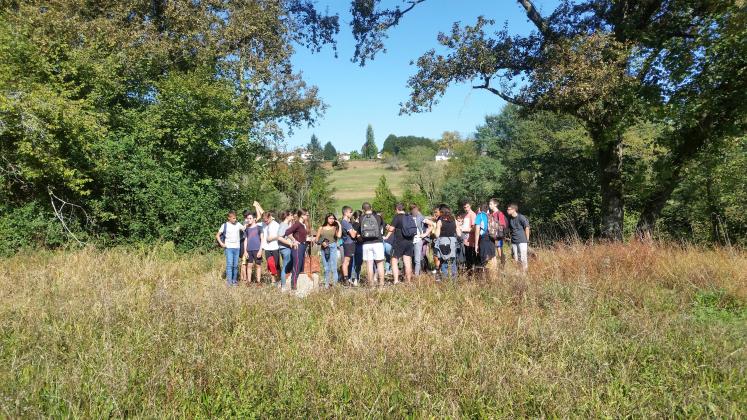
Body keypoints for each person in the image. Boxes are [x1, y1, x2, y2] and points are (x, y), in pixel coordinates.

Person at [359, 202, 386, 287]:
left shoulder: (361, 218)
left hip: (366, 243)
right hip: (378, 242)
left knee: (369, 264)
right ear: (371, 207)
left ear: (363, 209)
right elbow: (383, 227)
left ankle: (371, 285)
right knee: (380, 264)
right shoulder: (378, 217)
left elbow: (359, 229)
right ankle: (381, 284)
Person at [215, 210, 245, 286]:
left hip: (237, 248)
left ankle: (234, 281)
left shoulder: (238, 224)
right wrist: (222, 244)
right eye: (233, 218)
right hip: (229, 248)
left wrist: (251, 221)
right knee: (229, 265)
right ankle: (229, 282)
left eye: (235, 218)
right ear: (229, 218)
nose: (235, 220)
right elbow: (217, 235)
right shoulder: (224, 225)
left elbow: (245, 228)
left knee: (235, 265)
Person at [255, 202, 281, 286]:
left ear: (270, 218)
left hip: (275, 247)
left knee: (276, 265)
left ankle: (279, 279)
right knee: (270, 265)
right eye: (264, 220)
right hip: (267, 248)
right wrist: (256, 206)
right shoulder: (263, 224)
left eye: (266, 220)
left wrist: (272, 238)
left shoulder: (276, 224)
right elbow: (255, 221)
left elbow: (280, 235)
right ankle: (273, 281)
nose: (265, 222)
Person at [388, 203, 415, 284]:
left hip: (399, 241)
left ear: (397, 209)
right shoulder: (409, 216)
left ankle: (396, 280)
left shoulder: (397, 217)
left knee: (394, 260)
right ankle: (408, 281)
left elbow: (391, 229)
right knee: (407, 262)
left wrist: (388, 228)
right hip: (409, 241)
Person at [434, 205, 461, 281]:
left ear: (442, 212)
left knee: (443, 262)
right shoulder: (454, 220)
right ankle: (454, 281)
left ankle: (445, 280)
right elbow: (459, 234)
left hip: (443, 242)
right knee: (453, 262)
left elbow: (437, 234)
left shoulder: (440, 221)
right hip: (452, 243)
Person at [284, 209, 309, 291]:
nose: (307, 216)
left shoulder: (303, 225)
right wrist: (294, 241)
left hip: (303, 246)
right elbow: (287, 232)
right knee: (297, 265)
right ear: (302, 215)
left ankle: (300, 285)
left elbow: (302, 236)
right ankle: (293, 285)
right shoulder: (297, 224)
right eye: (306, 215)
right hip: (297, 247)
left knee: (301, 266)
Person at [316, 213, 342, 288]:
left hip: (333, 247)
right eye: (330, 218)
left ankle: (335, 285)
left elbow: (339, 236)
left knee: (334, 267)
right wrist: (322, 242)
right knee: (326, 267)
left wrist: (339, 225)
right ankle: (326, 285)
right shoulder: (321, 228)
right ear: (327, 218)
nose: (332, 220)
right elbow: (316, 239)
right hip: (324, 248)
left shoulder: (335, 227)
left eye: (333, 218)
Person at [506, 203, 530, 272]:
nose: (507, 210)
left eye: (508, 209)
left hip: (522, 241)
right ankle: (519, 273)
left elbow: (527, 227)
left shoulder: (521, 217)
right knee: (516, 258)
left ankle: (524, 274)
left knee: (523, 258)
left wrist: (527, 239)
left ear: (513, 210)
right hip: (514, 241)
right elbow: (509, 229)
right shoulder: (510, 219)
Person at [410, 204, 431, 276]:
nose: (414, 210)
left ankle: (417, 276)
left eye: (415, 209)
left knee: (417, 259)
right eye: (412, 209)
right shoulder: (409, 217)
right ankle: (410, 273)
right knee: (410, 257)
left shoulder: (421, 217)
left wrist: (425, 234)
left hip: (418, 239)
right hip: (410, 240)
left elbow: (432, 224)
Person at [242, 211, 264, 284]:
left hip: (257, 250)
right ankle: (249, 281)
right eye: (248, 218)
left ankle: (258, 281)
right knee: (249, 265)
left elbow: (262, 239)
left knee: (258, 265)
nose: (249, 220)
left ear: (254, 219)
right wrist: (245, 251)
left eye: (250, 218)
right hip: (249, 250)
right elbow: (245, 240)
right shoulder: (247, 229)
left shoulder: (259, 227)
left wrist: (260, 250)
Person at [276, 210, 295, 290]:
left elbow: (289, 235)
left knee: (287, 266)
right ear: (287, 216)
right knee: (285, 267)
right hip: (285, 248)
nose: (292, 216)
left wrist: (294, 240)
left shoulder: (286, 225)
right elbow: (279, 237)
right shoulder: (284, 225)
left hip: (285, 248)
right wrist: (289, 243)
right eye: (291, 215)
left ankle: (285, 284)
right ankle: (283, 286)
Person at [340, 206, 358, 285]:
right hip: (348, 244)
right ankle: (346, 279)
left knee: (349, 262)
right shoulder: (345, 223)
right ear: (346, 213)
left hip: (350, 243)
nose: (351, 214)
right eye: (350, 212)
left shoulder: (348, 222)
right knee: (346, 262)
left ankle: (348, 278)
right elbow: (353, 235)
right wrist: (355, 230)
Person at [474, 203, 496, 269]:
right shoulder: (490, 215)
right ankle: (495, 276)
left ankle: (487, 276)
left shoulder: (479, 216)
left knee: (485, 258)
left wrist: (476, 244)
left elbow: (477, 231)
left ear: (480, 209)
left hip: (484, 238)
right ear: (487, 210)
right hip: (492, 237)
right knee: (492, 257)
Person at [488, 198, 508, 268]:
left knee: (499, 252)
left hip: (497, 237)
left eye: (491, 204)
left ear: (495, 204)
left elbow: (502, 225)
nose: (489, 205)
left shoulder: (499, 213)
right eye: (489, 204)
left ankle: (503, 267)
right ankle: (495, 268)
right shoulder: (491, 214)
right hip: (491, 236)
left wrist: (498, 236)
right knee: (493, 253)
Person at [461, 200, 478, 270]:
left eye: (467, 207)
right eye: (464, 207)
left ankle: (472, 274)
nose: (466, 208)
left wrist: (464, 230)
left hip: (471, 241)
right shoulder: (465, 215)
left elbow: (474, 228)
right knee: (467, 257)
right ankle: (469, 273)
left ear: (470, 206)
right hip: (465, 240)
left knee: (471, 258)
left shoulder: (473, 214)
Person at [351, 210, 364, 285]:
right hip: (358, 244)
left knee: (356, 263)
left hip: (356, 244)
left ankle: (356, 277)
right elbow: (357, 236)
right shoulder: (356, 224)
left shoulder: (353, 224)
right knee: (357, 262)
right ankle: (355, 277)